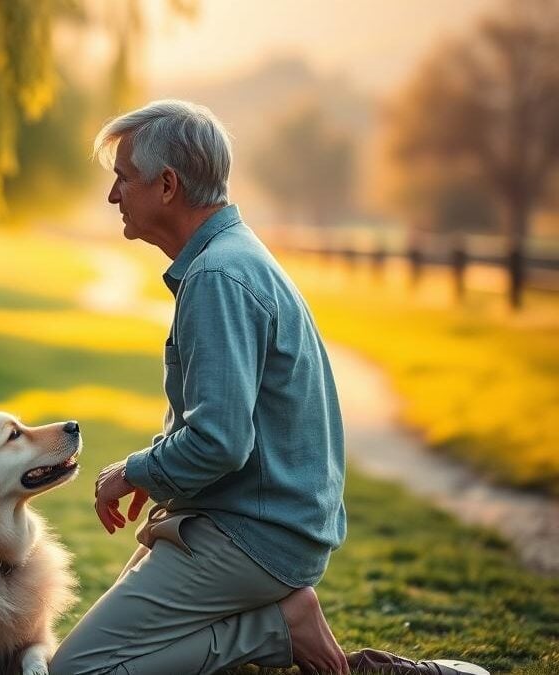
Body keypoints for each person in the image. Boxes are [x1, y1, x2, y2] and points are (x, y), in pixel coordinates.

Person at [48, 101, 489, 675]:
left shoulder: (217, 276)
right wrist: (161, 477)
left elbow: (218, 441)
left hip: (253, 536)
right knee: (135, 656)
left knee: (78, 670)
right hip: (250, 522)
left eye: (123, 178)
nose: (113, 196)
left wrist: (132, 472)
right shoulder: (231, 256)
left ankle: (275, 627)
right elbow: (221, 429)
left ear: (167, 185)